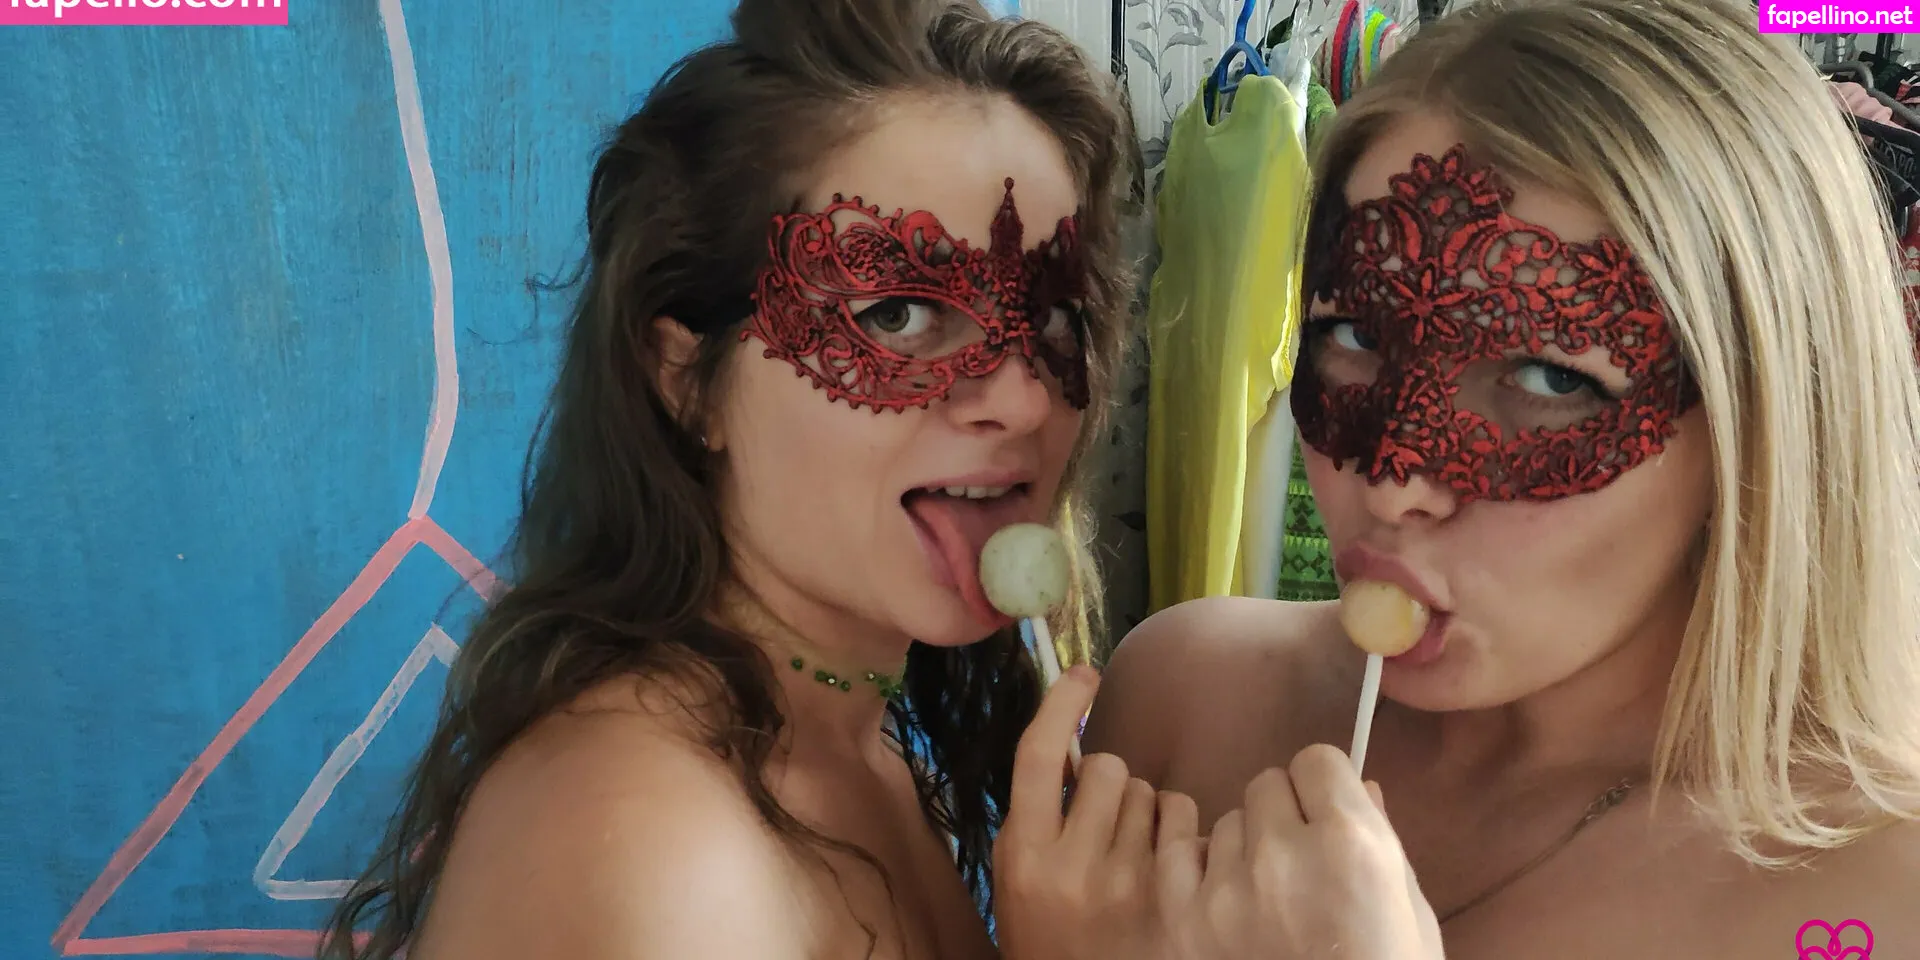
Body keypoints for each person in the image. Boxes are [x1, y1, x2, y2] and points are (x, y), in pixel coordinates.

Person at [315, 1, 1174, 957]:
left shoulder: (860, 737)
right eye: (896, 313)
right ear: (687, 380)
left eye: (1054, 321)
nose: (1021, 400)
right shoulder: (655, 848)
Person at [1086, 0, 1920, 957]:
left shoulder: (1877, 900)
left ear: (1761, 426)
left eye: (1550, 379)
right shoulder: (1184, 699)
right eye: (1353, 334)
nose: (1394, 481)